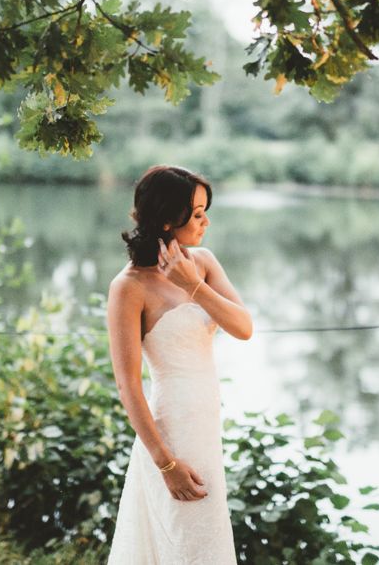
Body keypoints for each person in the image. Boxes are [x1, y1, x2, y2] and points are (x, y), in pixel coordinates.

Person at [106, 165, 252, 564]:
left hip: (206, 424)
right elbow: (128, 387)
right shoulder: (129, 286)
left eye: (206, 210)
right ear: (168, 219)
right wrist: (165, 463)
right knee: (181, 540)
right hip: (172, 432)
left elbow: (244, 328)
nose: (206, 221)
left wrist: (194, 287)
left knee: (206, 540)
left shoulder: (202, 263)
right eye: (198, 212)